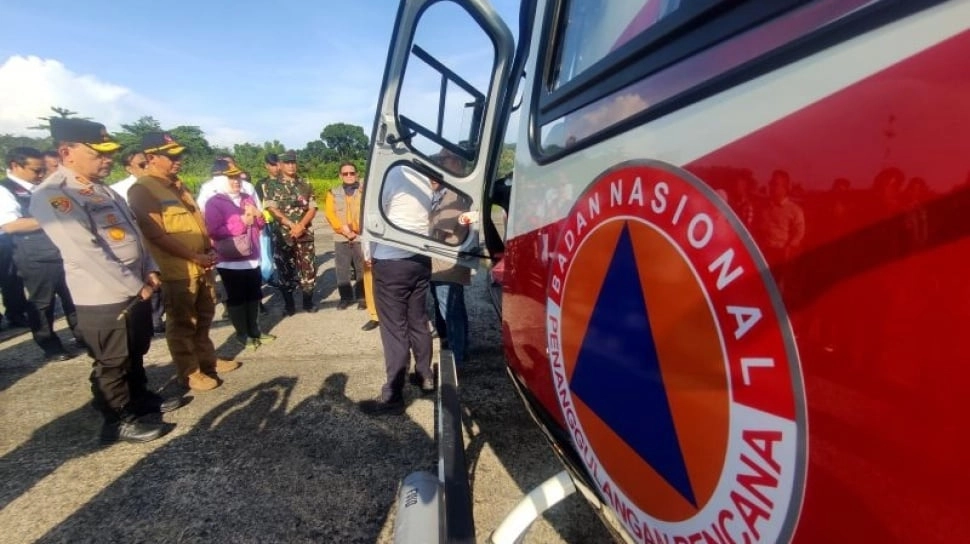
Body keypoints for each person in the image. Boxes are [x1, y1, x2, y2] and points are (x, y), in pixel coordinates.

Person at [31, 118, 179, 443]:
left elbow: (135, 235)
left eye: (109, 152)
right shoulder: (56, 194)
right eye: (98, 152)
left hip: (136, 286)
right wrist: (133, 285)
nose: (107, 159)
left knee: (135, 350)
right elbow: (86, 252)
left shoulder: (101, 189)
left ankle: (140, 400)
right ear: (66, 151)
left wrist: (150, 268)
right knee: (112, 361)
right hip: (104, 296)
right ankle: (118, 419)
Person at [127, 132, 239, 392]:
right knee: (181, 323)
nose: (179, 160)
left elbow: (194, 222)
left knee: (204, 317)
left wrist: (207, 251)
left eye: (179, 155)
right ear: (152, 158)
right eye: (171, 156)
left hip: (201, 264)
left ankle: (207, 360)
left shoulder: (177, 185)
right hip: (177, 269)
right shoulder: (143, 189)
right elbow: (155, 233)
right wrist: (194, 256)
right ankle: (189, 372)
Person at [360, 164, 436, 415]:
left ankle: (393, 394)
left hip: (391, 262)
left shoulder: (385, 173)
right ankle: (425, 376)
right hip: (421, 259)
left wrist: (368, 253)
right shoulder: (422, 176)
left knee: (394, 329)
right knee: (418, 320)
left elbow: (372, 217)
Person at [1, 146, 81, 361]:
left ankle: (82, 335)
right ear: (15, 166)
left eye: (42, 170)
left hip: (59, 249)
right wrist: (52, 219)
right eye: (35, 170)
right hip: (33, 254)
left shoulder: (45, 187)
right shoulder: (5, 190)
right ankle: (49, 344)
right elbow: (10, 225)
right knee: (42, 302)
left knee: (72, 295)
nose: (40, 174)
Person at [204, 159, 275, 350]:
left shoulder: (247, 198)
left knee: (254, 295)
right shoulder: (214, 203)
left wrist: (258, 216)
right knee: (237, 297)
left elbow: (259, 225)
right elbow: (214, 231)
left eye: (237, 177)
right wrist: (242, 221)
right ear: (221, 180)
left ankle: (255, 330)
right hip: (230, 259)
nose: (236, 181)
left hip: (251, 256)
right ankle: (242, 334)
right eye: (231, 178)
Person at [111, 148, 165, 334]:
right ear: (128, 168)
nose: (146, 167)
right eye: (141, 164)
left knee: (159, 282)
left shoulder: (161, 185)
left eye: (148, 163)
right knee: (146, 284)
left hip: (159, 244)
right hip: (137, 243)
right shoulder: (119, 190)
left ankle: (157, 317)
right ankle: (151, 320)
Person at [261, 150, 318, 315]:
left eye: (293, 162)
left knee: (308, 268)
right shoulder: (271, 185)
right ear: (280, 165)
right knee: (285, 269)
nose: (291, 166)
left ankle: (308, 303)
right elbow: (271, 208)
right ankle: (289, 305)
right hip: (283, 235)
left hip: (304, 233)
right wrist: (291, 225)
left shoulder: (305, 183)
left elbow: (312, 207)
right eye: (287, 163)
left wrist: (301, 225)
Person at [428, 169, 473, 366]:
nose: (431, 180)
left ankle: (458, 356)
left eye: (435, 175)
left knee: (451, 311)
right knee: (451, 307)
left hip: (447, 263)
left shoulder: (454, 196)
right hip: (439, 262)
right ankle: (459, 347)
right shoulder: (439, 196)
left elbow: (440, 228)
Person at [324, 162, 366, 310]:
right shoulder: (332, 192)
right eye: (345, 173)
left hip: (360, 236)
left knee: (362, 267)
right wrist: (343, 230)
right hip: (341, 236)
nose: (349, 176)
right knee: (342, 269)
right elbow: (330, 213)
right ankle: (345, 297)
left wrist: (356, 231)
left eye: (352, 173)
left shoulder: (364, 191)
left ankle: (362, 297)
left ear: (357, 174)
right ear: (340, 176)